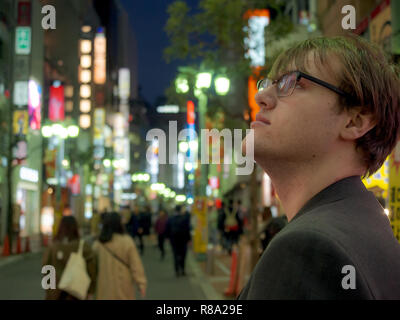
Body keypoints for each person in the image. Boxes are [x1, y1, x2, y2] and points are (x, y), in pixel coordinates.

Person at [239, 35, 400, 299]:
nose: (261, 96)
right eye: (269, 83)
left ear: (355, 121)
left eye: (292, 83)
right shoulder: (369, 232)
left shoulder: (308, 249)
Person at [93, 212, 147, 300]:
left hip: (104, 285)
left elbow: (93, 267)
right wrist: (141, 283)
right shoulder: (127, 241)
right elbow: (135, 264)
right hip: (123, 284)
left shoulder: (98, 244)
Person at [42, 216, 97, 300]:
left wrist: (50, 290)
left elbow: (46, 269)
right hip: (78, 293)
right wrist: (90, 290)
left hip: (56, 294)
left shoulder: (53, 247)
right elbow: (92, 271)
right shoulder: (83, 247)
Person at [166, 205, 191, 277]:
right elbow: (187, 229)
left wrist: (167, 237)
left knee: (175, 254)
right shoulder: (184, 218)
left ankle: (177, 270)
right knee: (183, 254)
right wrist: (189, 239)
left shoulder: (171, 218)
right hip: (183, 240)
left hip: (174, 240)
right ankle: (182, 269)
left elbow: (167, 228)